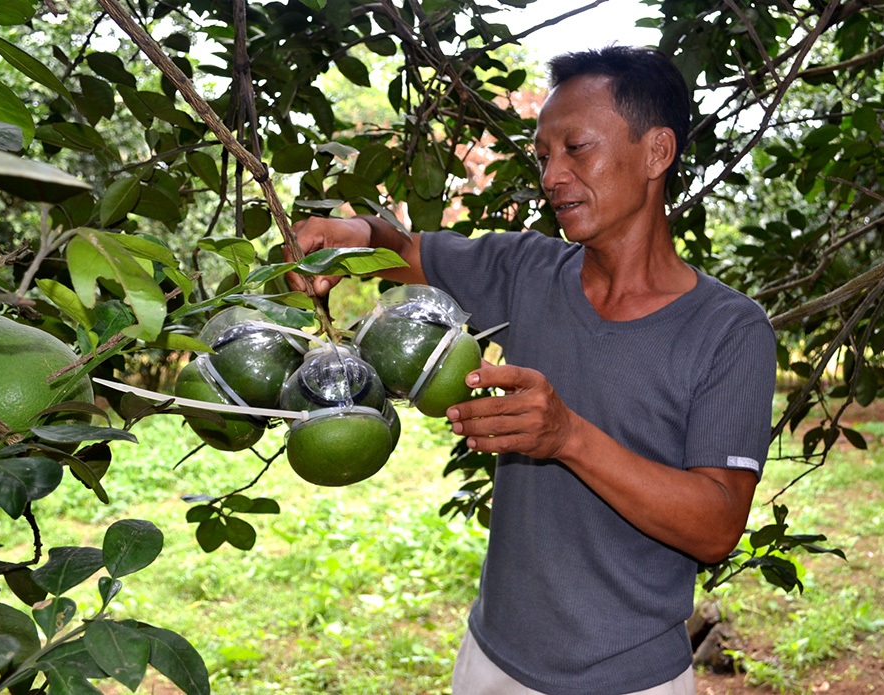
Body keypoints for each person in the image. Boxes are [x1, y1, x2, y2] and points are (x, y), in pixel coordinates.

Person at [288, 45, 777, 695]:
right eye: (543, 156)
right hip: (493, 659)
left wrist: (567, 436)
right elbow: (404, 251)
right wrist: (351, 235)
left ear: (657, 152)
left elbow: (717, 526)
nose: (552, 176)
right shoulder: (527, 271)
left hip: (633, 680)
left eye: (576, 148)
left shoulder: (728, 329)